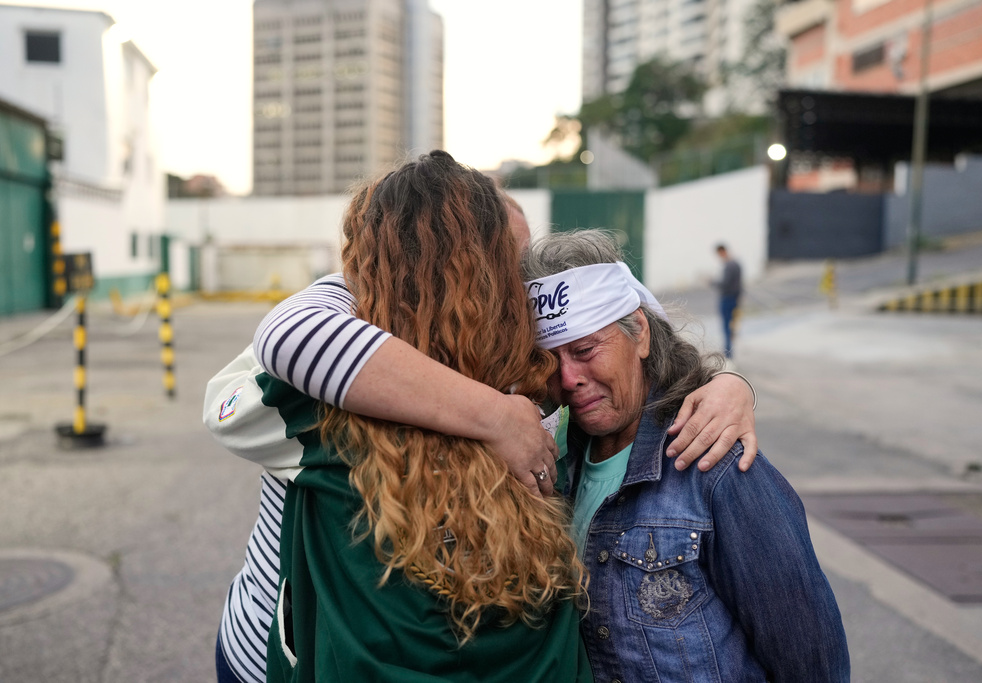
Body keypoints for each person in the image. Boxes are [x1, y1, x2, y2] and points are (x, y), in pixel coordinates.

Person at [205, 161, 759, 682]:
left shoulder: (522, 371)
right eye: (509, 265)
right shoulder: (322, 384)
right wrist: (495, 418)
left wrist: (723, 386)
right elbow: (286, 337)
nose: (523, 289)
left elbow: (628, 348)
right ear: (469, 271)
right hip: (268, 646)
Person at [521, 229, 850, 682]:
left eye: (584, 350)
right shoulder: (553, 466)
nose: (570, 377)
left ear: (638, 333)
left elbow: (812, 662)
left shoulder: (714, 467)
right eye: (550, 361)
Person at [712, 243, 742, 359]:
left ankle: (728, 354)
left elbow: (724, 284)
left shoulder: (729, 266)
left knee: (727, 328)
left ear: (722, 252)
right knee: (732, 327)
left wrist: (711, 282)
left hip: (727, 299)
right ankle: (729, 353)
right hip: (735, 299)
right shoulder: (737, 264)